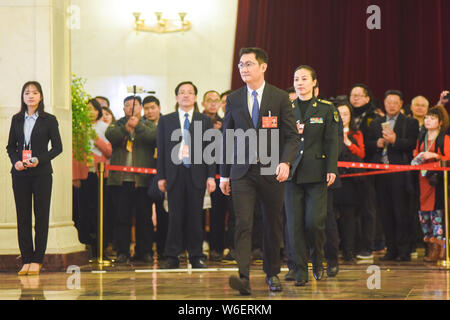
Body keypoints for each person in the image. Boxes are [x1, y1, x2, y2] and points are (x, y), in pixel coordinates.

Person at [220, 47, 299, 294]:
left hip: (271, 170)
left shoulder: (279, 97)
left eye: (249, 64)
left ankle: (272, 273)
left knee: (272, 223)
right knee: (243, 223)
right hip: (241, 171)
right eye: (241, 65)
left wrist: (285, 162)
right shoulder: (233, 98)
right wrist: (224, 173)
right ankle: (243, 277)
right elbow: (226, 137)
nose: (244, 69)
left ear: (263, 67)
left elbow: (291, 136)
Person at [284, 65, 338, 287]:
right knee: (294, 224)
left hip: (316, 173)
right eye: (296, 79)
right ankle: (299, 269)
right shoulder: (286, 108)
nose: (299, 83)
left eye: (304, 79)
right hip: (291, 174)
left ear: (314, 82)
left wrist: (331, 168)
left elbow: (332, 140)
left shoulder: (326, 108)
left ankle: (317, 259)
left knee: (314, 222)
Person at [157, 81, 216, 269]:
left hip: (196, 174)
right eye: (182, 92)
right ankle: (172, 256)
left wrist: (210, 176)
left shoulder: (204, 120)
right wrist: (161, 176)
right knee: (174, 217)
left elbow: (210, 151)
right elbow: (162, 150)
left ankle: (196, 255)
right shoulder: (166, 120)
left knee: (195, 217)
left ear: (195, 97)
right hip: (174, 174)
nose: (185, 95)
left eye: (190, 92)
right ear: (176, 97)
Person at [7, 81, 63, 275]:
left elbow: (57, 148)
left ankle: (38, 260)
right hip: (20, 174)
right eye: (27, 93)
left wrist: (39, 159)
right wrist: (16, 161)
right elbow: (10, 146)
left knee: (41, 216)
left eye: (35, 93)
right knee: (23, 217)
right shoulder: (17, 119)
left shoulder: (49, 119)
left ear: (41, 96)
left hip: (42, 174)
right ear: (23, 97)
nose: (30, 96)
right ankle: (26, 259)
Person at [367, 90, 419, 261]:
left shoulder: (409, 122)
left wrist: (395, 140)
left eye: (395, 102)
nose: (391, 105)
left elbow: (412, 144)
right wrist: (377, 143)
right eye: (388, 102)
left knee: (401, 211)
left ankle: (404, 250)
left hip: (400, 173)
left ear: (401, 103)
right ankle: (391, 249)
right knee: (385, 212)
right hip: (381, 173)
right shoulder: (376, 123)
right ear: (384, 102)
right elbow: (367, 145)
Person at [105, 95, 157, 264]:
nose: (130, 108)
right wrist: (126, 128)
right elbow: (110, 136)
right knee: (122, 218)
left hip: (142, 180)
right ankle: (122, 252)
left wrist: (138, 126)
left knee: (144, 218)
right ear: (123, 108)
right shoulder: (118, 124)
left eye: (133, 105)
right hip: (120, 181)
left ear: (140, 108)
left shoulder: (148, 125)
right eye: (127, 105)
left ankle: (145, 251)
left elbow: (153, 138)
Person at [72, 99, 112, 258]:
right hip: (83, 174)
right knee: (83, 212)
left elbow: (109, 151)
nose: (90, 112)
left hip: (99, 174)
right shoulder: (77, 128)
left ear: (99, 111)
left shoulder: (105, 127)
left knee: (100, 211)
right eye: (87, 109)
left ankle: (100, 249)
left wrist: (94, 137)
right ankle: (85, 247)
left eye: (93, 109)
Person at [412, 105, 450, 262]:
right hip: (422, 181)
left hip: (437, 183)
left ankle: (440, 248)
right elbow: (415, 154)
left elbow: (447, 159)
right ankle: (430, 246)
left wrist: (434, 155)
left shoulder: (445, 139)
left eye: (432, 118)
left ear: (440, 122)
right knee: (424, 216)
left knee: (438, 215)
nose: (428, 121)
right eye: (427, 117)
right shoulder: (421, 137)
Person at [348, 83, 380, 259]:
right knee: (351, 210)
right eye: (353, 95)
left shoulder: (374, 117)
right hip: (348, 170)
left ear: (368, 98)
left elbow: (374, 143)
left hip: (367, 168)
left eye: (359, 96)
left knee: (368, 209)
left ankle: (368, 246)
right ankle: (350, 246)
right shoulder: (346, 115)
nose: (355, 99)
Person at [334, 102, 365, 261]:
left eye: (346, 114)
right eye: (339, 113)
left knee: (349, 218)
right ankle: (331, 251)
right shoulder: (330, 130)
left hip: (350, 182)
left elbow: (361, 154)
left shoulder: (356, 133)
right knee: (330, 217)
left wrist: (348, 143)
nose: (342, 117)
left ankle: (349, 251)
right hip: (332, 178)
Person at [142, 95, 167, 260]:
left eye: (153, 108)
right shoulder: (141, 125)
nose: (150, 111)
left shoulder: (168, 122)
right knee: (144, 215)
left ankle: (164, 249)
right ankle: (146, 250)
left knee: (164, 213)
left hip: (164, 174)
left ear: (159, 108)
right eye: (147, 108)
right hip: (144, 175)